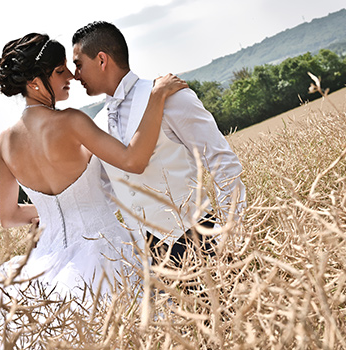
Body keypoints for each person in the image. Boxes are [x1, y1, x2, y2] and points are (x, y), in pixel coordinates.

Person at [0, 32, 187, 345]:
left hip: (46, 265)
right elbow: (133, 160)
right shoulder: (71, 122)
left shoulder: (5, 142)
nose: (70, 76)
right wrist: (156, 98)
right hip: (104, 250)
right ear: (35, 82)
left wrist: (55, 212)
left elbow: (9, 215)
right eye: (59, 71)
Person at [72, 21, 246, 266]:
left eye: (78, 65)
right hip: (149, 261)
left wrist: (232, 233)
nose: (75, 75)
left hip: (201, 240)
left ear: (102, 60)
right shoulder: (97, 124)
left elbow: (222, 162)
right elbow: (107, 192)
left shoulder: (171, 97)